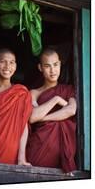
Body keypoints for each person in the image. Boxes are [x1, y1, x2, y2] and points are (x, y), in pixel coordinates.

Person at [26, 48, 77, 176]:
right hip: (39, 146)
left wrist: (43, 118)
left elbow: (71, 110)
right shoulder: (34, 93)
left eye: (55, 65)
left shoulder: (68, 89)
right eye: (47, 66)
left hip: (63, 149)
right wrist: (56, 100)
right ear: (40, 67)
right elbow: (32, 117)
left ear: (60, 64)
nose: (53, 70)